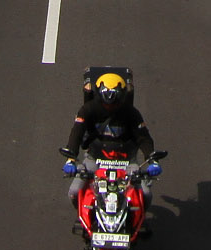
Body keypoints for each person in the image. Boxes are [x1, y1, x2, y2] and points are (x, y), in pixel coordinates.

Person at [62, 67, 156, 201]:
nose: (110, 107)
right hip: (95, 159)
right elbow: (77, 133)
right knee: (74, 192)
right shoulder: (87, 110)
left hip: (127, 161)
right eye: (106, 104)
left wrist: (152, 161)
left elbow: (143, 137)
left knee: (145, 195)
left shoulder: (132, 113)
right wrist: (70, 159)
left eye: (114, 104)